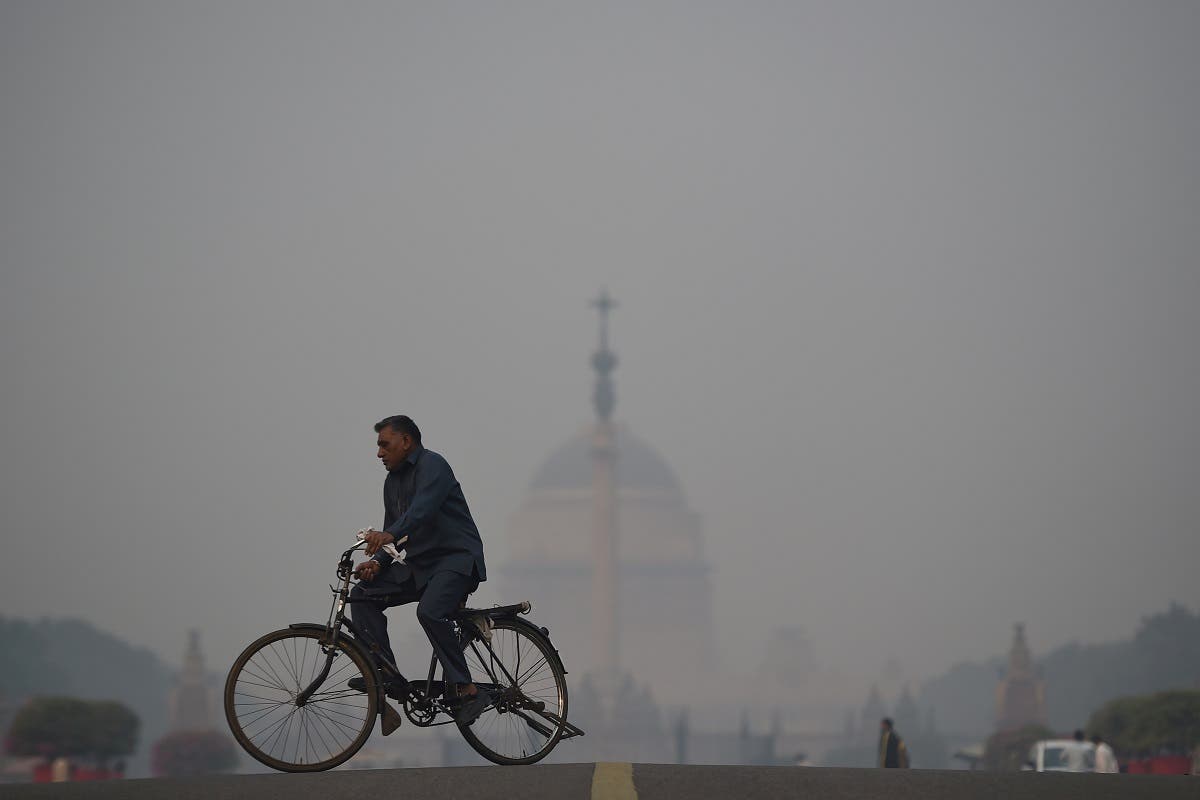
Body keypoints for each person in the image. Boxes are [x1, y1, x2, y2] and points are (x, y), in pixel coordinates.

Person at [348, 415, 489, 724]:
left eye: (384, 445)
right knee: (360, 596)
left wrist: (389, 535)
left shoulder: (433, 466)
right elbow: (394, 532)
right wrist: (376, 562)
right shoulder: (392, 482)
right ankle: (384, 675)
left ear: (406, 442)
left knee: (429, 612)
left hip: (456, 560)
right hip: (421, 565)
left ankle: (468, 690)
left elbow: (420, 512)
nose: (379, 453)